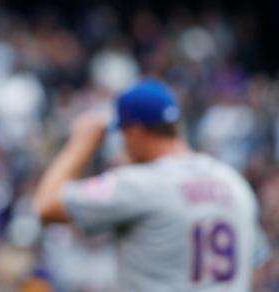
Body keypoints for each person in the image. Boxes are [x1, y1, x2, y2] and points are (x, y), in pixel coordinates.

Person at [33, 80, 268, 291]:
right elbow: (257, 262)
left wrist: (80, 144)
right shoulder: (233, 183)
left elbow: (46, 206)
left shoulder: (140, 183)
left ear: (134, 132)